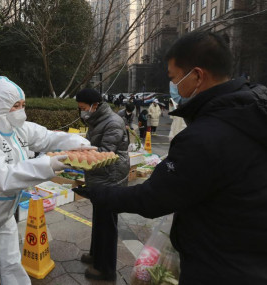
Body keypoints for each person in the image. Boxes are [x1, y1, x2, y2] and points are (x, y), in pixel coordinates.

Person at [72, 31, 267, 284]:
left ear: (197, 76)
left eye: (174, 78)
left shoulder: (205, 136)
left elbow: (154, 198)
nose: (173, 87)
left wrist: (95, 192)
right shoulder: (251, 114)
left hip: (218, 265)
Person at [0, 76, 91, 285]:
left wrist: (79, 144)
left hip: (4, 211)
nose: (20, 110)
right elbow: (2, 177)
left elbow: (47, 137)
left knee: (11, 262)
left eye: (22, 105)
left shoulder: (18, 129)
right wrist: (48, 165)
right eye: (15, 105)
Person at [75, 88, 129, 281]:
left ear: (95, 105)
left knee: (107, 223)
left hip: (110, 176)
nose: (82, 112)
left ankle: (106, 269)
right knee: (99, 218)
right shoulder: (96, 119)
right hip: (99, 176)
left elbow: (105, 152)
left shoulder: (113, 122)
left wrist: (77, 151)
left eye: (83, 108)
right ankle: (96, 255)